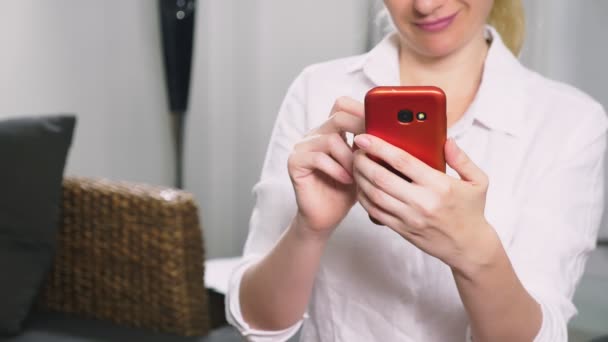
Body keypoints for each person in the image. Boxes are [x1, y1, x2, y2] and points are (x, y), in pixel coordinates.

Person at [226, 0, 608, 341]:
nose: (425, 5)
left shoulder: (571, 121)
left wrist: (476, 253)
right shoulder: (317, 89)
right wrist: (309, 230)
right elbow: (260, 324)